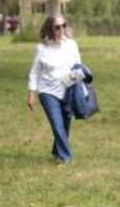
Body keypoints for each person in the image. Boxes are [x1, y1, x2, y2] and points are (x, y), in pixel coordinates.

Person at [27, 15, 82, 164]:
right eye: (57, 27)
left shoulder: (72, 45)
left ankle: (57, 150)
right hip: (48, 92)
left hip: (68, 90)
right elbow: (34, 72)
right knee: (57, 124)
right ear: (50, 29)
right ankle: (66, 157)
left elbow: (79, 67)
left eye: (64, 25)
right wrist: (31, 93)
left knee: (65, 124)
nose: (62, 30)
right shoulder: (41, 48)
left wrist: (81, 89)